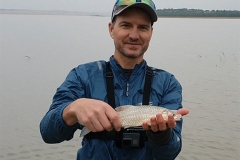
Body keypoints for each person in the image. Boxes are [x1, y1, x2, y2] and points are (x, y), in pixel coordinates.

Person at [40, 0, 189, 159]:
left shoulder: (168, 83)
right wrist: (71, 110)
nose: (134, 35)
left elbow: (171, 153)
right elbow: (48, 133)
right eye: (126, 25)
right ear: (111, 29)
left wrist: (162, 135)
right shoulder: (82, 75)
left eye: (143, 28)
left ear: (151, 32)